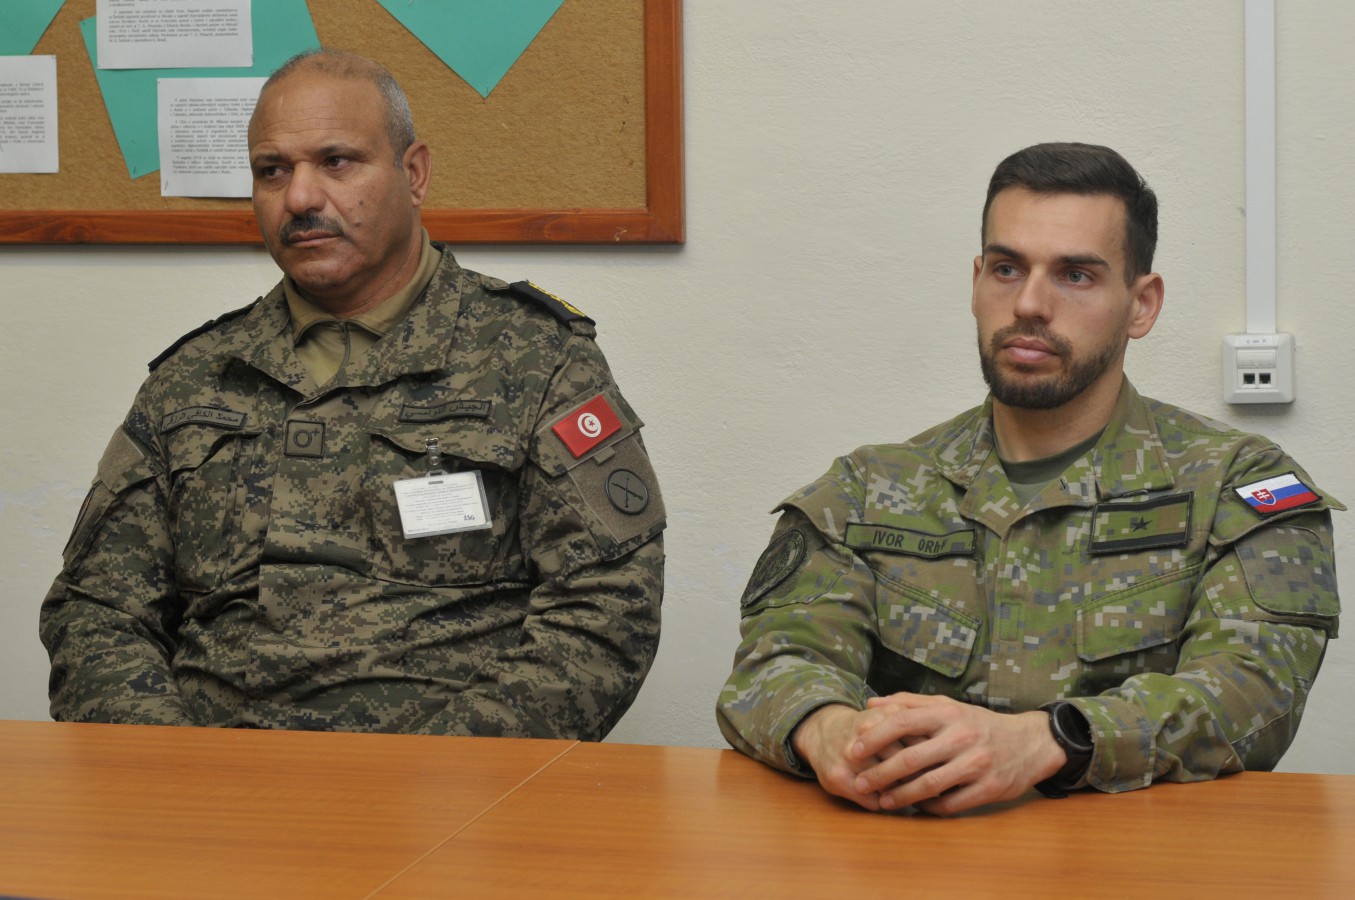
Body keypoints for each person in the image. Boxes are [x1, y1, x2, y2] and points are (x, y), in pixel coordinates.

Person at [40, 49, 665, 740]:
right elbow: (95, 610)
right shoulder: (195, 377)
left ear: (414, 173)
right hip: (208, 775)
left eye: (336, 161)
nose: (300, 198)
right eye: (272, 171)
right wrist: (175, 768)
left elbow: (606, 605)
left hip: (451, 782)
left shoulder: (537, 357)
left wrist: (444, 776)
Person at [716, 142, 1341, 815]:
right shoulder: (869, 489)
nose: (1030, 304)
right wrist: (829, 731)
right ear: (976, 282)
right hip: (912, 848)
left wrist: (1051, 741)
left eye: (1075, 275)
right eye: (1007, 269)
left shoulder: (1235, 483)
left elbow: (1255, 688)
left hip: (1135, 855)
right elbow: (776, 663)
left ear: (1141, 304)